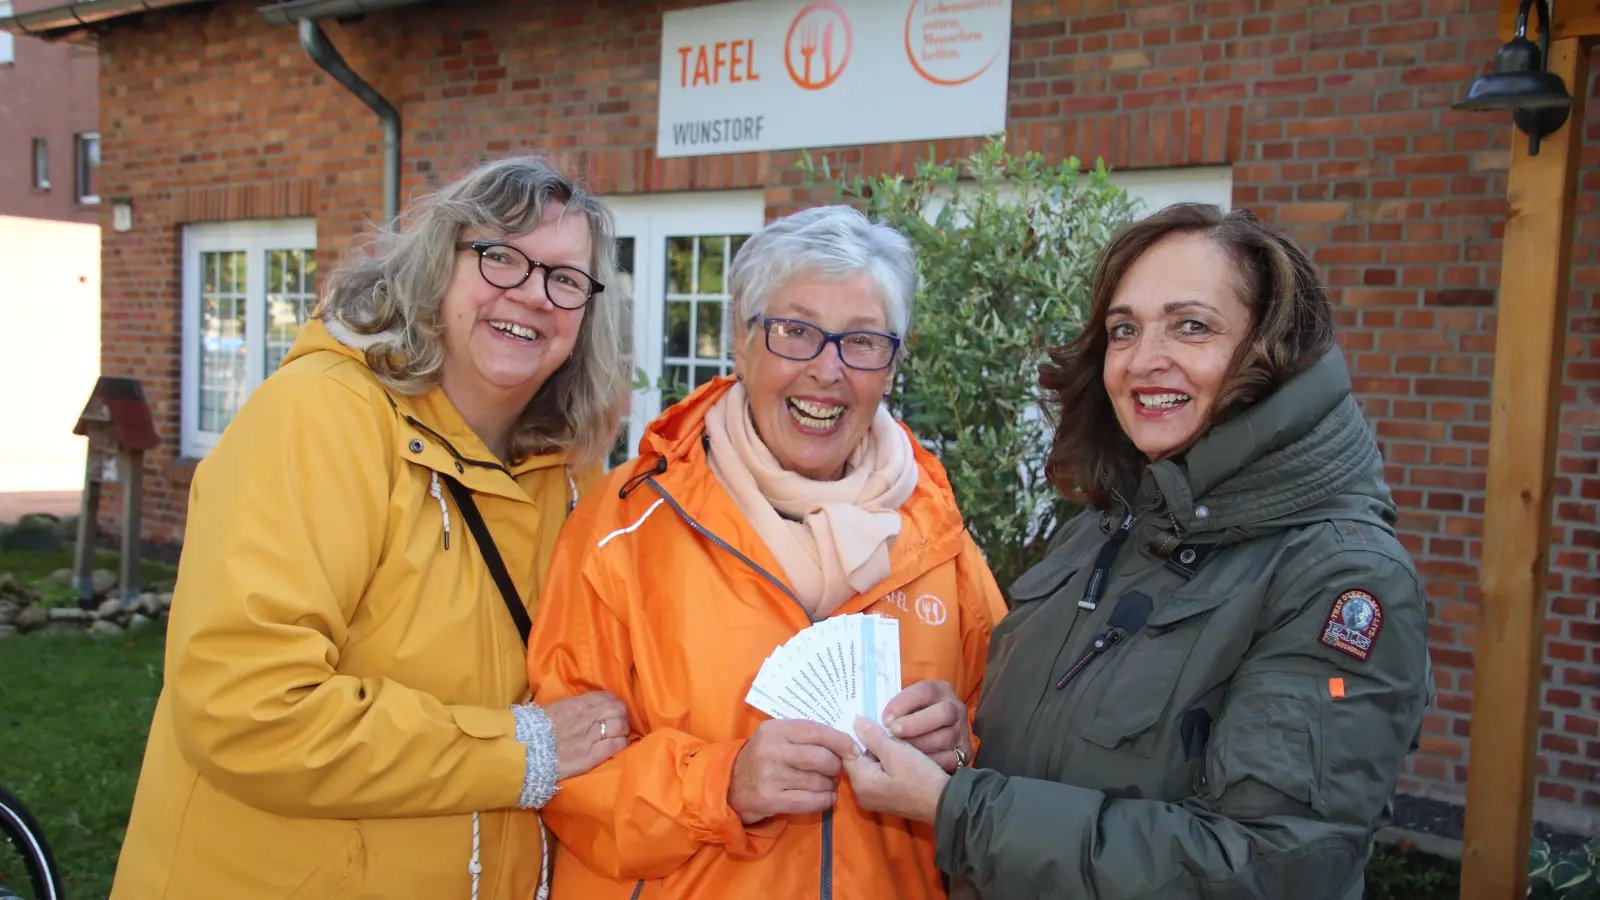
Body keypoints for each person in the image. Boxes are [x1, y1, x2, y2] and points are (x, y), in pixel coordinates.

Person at [841, 203, 1433, 899]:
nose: (1144, 361)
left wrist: (956, 809)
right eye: (1125, 330)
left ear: (1272, 350)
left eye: (1192, 326)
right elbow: (1059, 758)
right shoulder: (1106, 528)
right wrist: (957, 742)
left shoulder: (1340, 578)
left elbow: (1270, 868)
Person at [111, 156, 634, 900]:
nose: (532, 294)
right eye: (499, 257)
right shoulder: (318, 420)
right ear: (435, 268)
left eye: (565, 278)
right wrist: (520, 750)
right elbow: (249, 707)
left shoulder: (572, 475)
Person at [525, 205, 1010, 898]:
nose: (827, 370)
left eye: (864, 342)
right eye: (795, 333)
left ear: (893, 365)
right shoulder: (622, 529)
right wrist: (725, 784)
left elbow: (1017, 763)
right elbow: (567, 780)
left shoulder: (941, 543)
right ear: (742, 344)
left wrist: (960, 747)